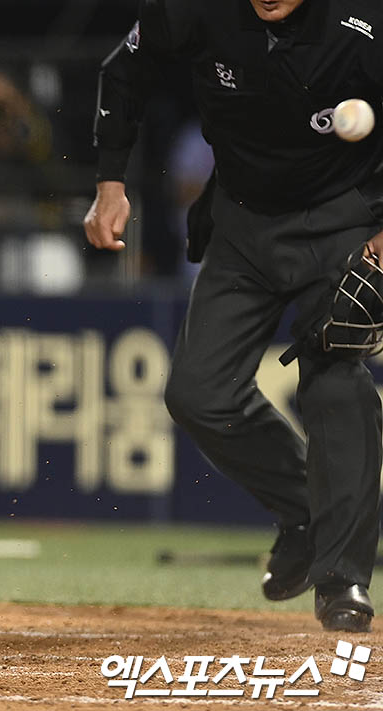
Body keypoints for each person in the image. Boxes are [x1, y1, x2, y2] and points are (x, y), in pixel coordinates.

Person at [83, 0, 383, 632]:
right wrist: (111, 181)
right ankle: (304, 507)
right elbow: (124, 69)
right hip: (244, 223)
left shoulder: (365, 19)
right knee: (198, 392)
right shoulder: (196, 9)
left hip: (344, 217)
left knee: (336, 382)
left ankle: (343, 579)